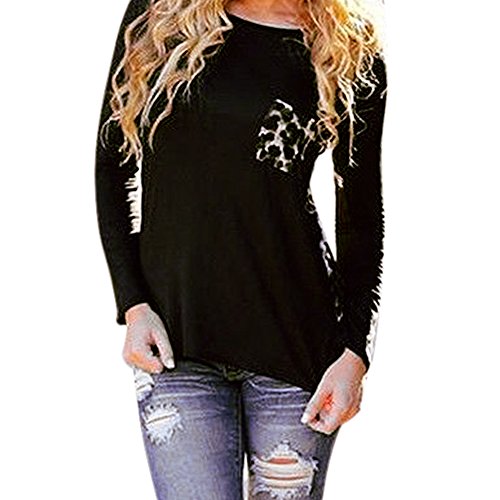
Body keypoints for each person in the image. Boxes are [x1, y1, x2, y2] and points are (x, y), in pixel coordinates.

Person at [94, 0, 387, 497]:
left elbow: (360, 217)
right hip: (176, 344)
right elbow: (114, 163)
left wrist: (356, 352)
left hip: (297, 351)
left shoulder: (349, 48)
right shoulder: (160, 14)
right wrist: (133, 304)